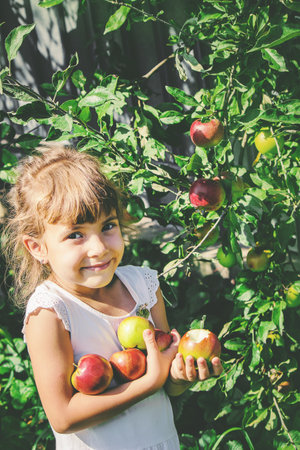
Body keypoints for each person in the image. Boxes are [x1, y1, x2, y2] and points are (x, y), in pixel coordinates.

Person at [3, 145, 223, 450]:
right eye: (76, 235)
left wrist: (179, 376)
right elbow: (63, 416)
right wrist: (148, 384)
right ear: (38, 248)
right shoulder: (51, 312)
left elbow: (167, 386)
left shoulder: (143, 287)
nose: (100, 248)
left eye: (108, 226)